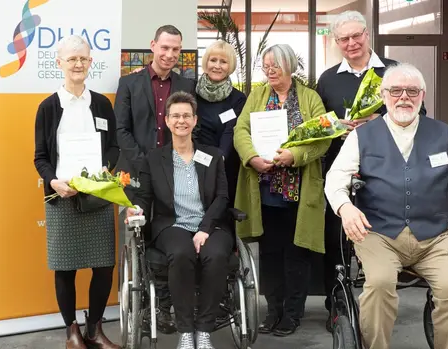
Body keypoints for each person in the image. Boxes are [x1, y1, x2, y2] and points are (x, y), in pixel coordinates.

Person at [324, 62, 448, 349]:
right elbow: (336, 179)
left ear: (423, 95)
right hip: (378, 234)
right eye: (395, 90)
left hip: (434, 237)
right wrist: (345, 207)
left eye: (412, 91)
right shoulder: (361, 136)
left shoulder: (443, 134)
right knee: (379, 286)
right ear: (383, 95)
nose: (403, 97)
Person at [315, 10, 426, 331]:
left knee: (383, 240)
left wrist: (384, 121)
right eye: (344, 39)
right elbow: (318, 122)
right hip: (341, 175)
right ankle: (336, 307)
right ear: (336, 43)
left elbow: (423, 113)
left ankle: (380, 305)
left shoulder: (394, 71)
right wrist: (336, 126)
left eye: (356, 36)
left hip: (388, 175)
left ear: (367, 35)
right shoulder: (328, 78)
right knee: (334, 241)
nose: (351, 43)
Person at [233, 44, 330, 337]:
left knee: (296, 254)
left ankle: (292, 314)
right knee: (270, 253)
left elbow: (324, 136)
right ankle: (273, 310)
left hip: (299, 192)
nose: (270, 71)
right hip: (265, 190)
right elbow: (241, 130)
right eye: (266, 66)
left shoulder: (310, 98)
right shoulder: (258, 96)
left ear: (289, 65)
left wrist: (295, 156)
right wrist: (252, 158)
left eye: (275, 65)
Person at [126, 91, 233, 349]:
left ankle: (204, 330)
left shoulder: (213, 155)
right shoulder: (154, 159)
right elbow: (144, 196)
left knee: (216, 255)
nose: (181, 120)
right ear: (167, 120)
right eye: (176, 116)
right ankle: (186, 330)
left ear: (195, 120)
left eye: (187, 115)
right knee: (181, 252)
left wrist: (205, 229)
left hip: (210, 224)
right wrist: (136, 209)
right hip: (172, 225)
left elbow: (221, 197)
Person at [33, 35, 120, 349]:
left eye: (83, 58)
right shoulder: (48, 107)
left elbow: (113, 147)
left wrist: (103, 172)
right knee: (65, 267)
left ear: (90, 63)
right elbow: (40, 157)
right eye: (71, 59)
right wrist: (54, 182)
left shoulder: (101, 104)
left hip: (97, 196)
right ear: (59, 63)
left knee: (104, 266)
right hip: (62, 197)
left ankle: (94, 329)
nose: (78, 64)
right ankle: (72, 332)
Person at [114, 24, 196, 333]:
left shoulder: (187, 83)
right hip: (137, 176)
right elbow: (121, 129)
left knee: (171, 236)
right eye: (165, 48)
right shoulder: (129, 84)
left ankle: (165, 306)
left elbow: (189, 126)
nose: (170, 54)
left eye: (176, 49)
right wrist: (146, 164)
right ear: (153, 46)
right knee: (139, 236)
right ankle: (141, 305)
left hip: (178, 175)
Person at [194, 40, 247, 206]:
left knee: (222, 214)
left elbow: (231, 131)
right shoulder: (191, 91)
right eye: (213, 60)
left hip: (225, 166)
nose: (217, 66)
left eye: (223, 62)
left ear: (230, 66)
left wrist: (219, 159)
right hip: (194, 162)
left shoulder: (238, 98)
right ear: (206, 62)